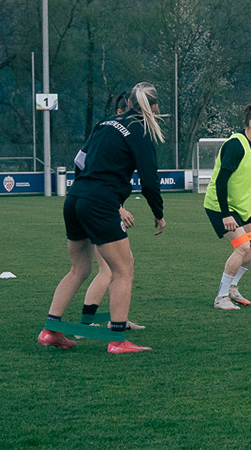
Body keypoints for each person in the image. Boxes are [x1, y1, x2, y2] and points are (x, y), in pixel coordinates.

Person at [38, 81, 167, 354]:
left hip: (75, 198)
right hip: (100, 202)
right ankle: (118, 340)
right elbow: (149, 179)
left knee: (78, 269)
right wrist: (159, 213)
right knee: (123, 271)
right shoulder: (140, 129)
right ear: (153, 107)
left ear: (128, 104)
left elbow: (80, 161)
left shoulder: (105, 123)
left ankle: (50, 331)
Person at [75, 91, 144, 331]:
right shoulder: (111, 131)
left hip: (97, 204)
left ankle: (119, 318)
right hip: (99, 208)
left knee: (124, 264)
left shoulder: (109, 134)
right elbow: (94, 176)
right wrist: (117, 208)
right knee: (108, 269)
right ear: (119, 113)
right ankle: (87, 324)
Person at [203, 104, 251, 310]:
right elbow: (221, 181)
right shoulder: (235, 145)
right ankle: (221, 297)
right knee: (243, 246)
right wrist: (226, 214)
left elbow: (242, 178)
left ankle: (233, 286)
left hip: (242, 208)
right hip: (220, 206)